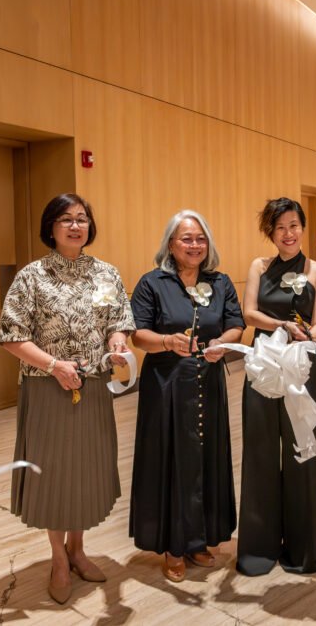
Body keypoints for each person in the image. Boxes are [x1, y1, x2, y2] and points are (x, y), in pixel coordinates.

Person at [0, 193, 135, 604]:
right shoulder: (32, 277)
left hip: (92, 386)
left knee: (86, 470)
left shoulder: (105, 274)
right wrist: (54, 365)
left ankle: (78, 549)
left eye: (82, 219)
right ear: (51, 227)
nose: (76, 226)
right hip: (47, 388)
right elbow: (11, 336)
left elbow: (117, 321)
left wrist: (117, 341)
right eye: (66, 219)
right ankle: (58, 558)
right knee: (53, 475)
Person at [129, 210, 245, 582]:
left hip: (208, 381)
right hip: (167, 385)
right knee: (172, 461)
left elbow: (236, 324)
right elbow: (138, 334)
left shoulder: (220, 282)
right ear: (171, 243)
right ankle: (174, 546)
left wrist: (221, 343)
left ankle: (199, 540)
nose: (194, 245)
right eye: (186, 238)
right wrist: (167, 341)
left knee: (205, 459)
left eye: (200, 238)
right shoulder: (152, 283)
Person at [237, 198, 316, 576]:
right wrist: (282, 326)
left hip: (303, 366)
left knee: (303, 455)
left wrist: (307, 336)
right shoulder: (259, 267)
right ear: (271, 232)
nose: (288, 234)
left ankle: (304, 549)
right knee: (260, 453)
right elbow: (249, 313)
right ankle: (259, 548)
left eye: (294, 226)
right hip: (264, 365)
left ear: (302, 228)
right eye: (280, 228)